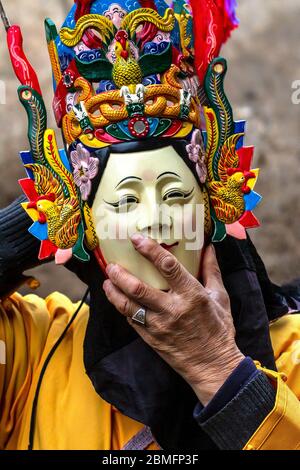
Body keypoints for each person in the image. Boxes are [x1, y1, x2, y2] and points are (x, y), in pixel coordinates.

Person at [0, 0, 300, 451]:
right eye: (123, 201)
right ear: (88, 225)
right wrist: (49, 205)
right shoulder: (35, 350)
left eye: (177, 195)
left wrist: (216, 366)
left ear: (213, 206)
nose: (156, 220)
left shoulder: (292, 354)